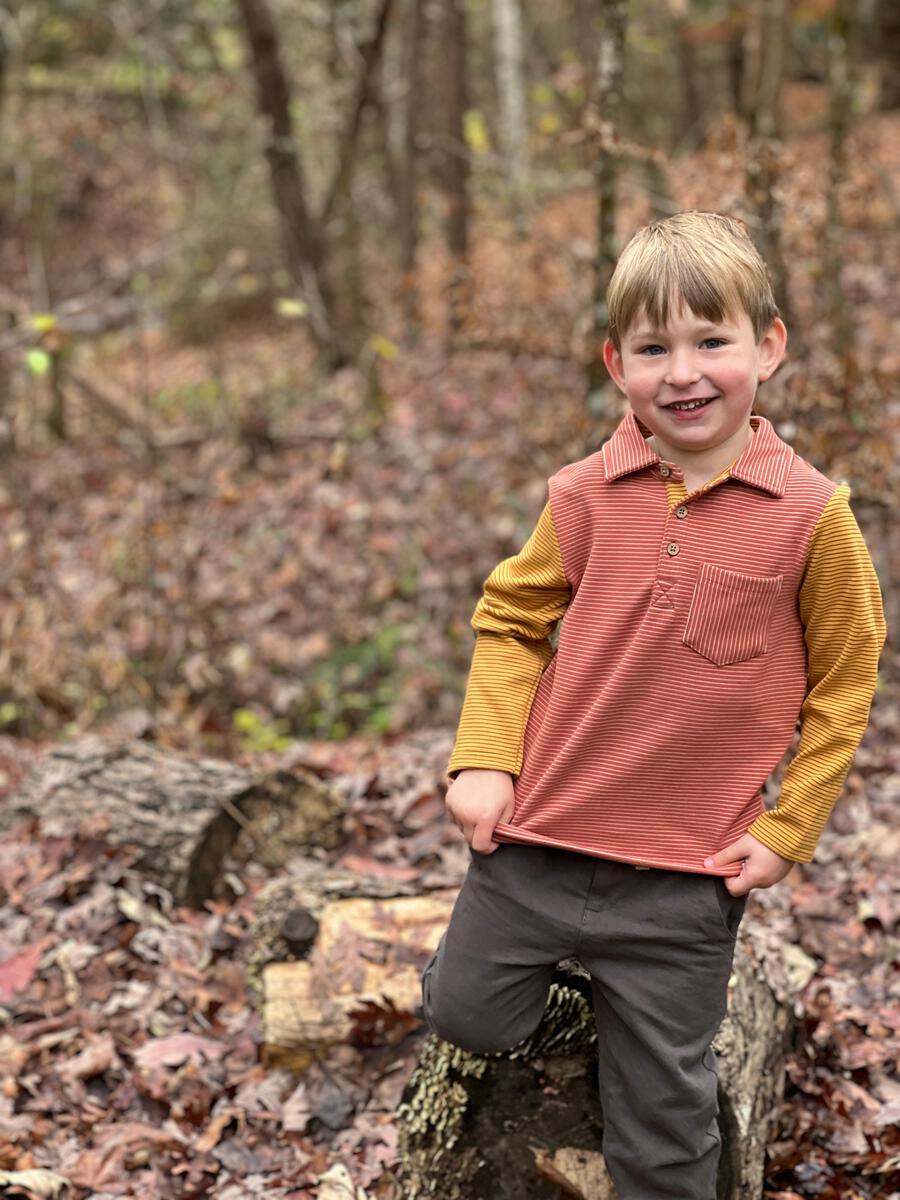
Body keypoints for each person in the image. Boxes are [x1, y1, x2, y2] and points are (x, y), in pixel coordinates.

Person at [421, 211, 886, 1199]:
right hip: (541, 838)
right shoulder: (587, 494)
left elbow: (847, 679)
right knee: (466, 1010)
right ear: (615, 363)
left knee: (667, 1130)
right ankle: (589, 1002)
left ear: (768, 346)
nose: (684, 372)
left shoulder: (812, 517)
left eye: (711, 341)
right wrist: (486, 758)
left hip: (683, 876)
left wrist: (789, 825)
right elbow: (512, 616)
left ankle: (639, 1031)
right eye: (653, 348)